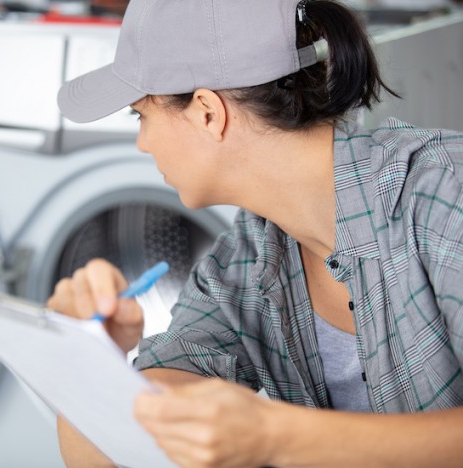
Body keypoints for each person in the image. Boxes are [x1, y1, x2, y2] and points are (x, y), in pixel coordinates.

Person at [48, 0, 463, 466]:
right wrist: (84, 354)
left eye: (140, 115)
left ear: (208, 111)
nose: (143, 142)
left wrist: (278, 436)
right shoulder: (247, 259)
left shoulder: (445, 194)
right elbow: (118, 455)